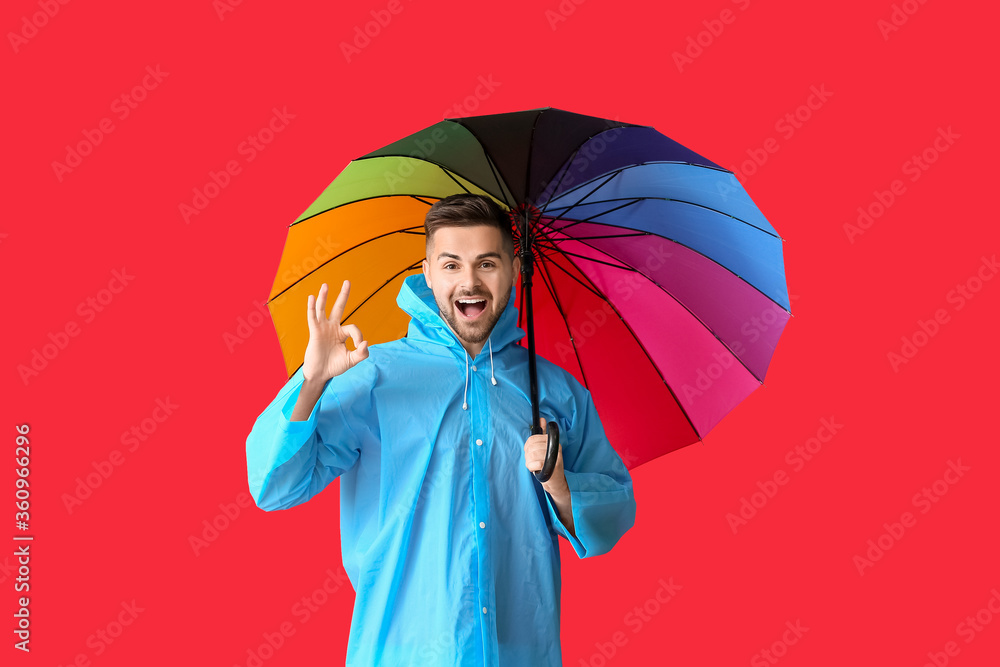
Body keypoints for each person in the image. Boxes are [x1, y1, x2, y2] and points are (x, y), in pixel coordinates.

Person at [246, 194, 636, 665]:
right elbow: (275, 486)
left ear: (514, 268)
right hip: (399, 651)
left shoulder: (554, 391)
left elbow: (613, 515)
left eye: (487, 263)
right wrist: (311, 385)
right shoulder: (373, 375)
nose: (469, 282)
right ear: (428, 273)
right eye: (451, 265)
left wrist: (557, 481)